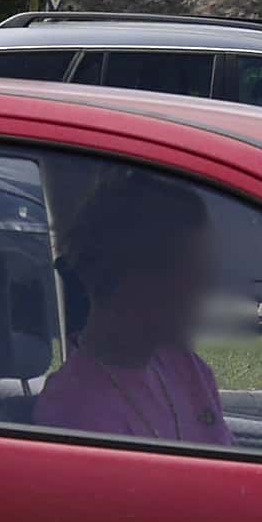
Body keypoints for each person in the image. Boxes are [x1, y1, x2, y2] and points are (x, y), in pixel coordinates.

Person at [37, 172, 230, 447]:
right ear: (136, 281)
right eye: (193, 272)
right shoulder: (74, 411)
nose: (207, 287)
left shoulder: (187, 369)